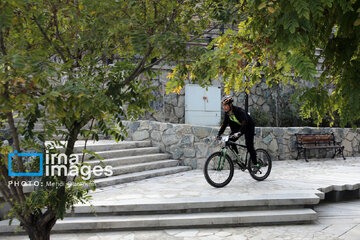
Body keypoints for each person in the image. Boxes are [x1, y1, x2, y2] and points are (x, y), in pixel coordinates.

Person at [216, 95, 259, 171]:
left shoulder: (239, 111)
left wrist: (239, 133)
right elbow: (224, 125)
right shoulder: (227, 114)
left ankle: (256, 164)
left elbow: (245, 123)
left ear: (230, 104)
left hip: (248, 126)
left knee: (249, 145)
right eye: (223, 106)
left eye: (225, 105)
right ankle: (238, 157)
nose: (224, 107)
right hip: (238, 127)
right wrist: (218, 134)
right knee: (230, 141)